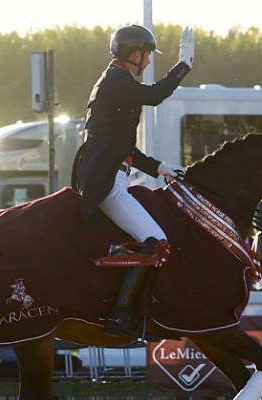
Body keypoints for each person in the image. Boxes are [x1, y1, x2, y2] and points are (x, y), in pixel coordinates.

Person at [74, 24, 195, 340]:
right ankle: (120, 315)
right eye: (148, 55)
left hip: (114, 176)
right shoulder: (117, 80)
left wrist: (158, 168)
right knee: (156, 239)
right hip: (108, 184)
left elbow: (124, 146)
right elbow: (154, 96)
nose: (150, 62)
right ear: (135, 53)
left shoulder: (119, 80)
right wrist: (183, 67)